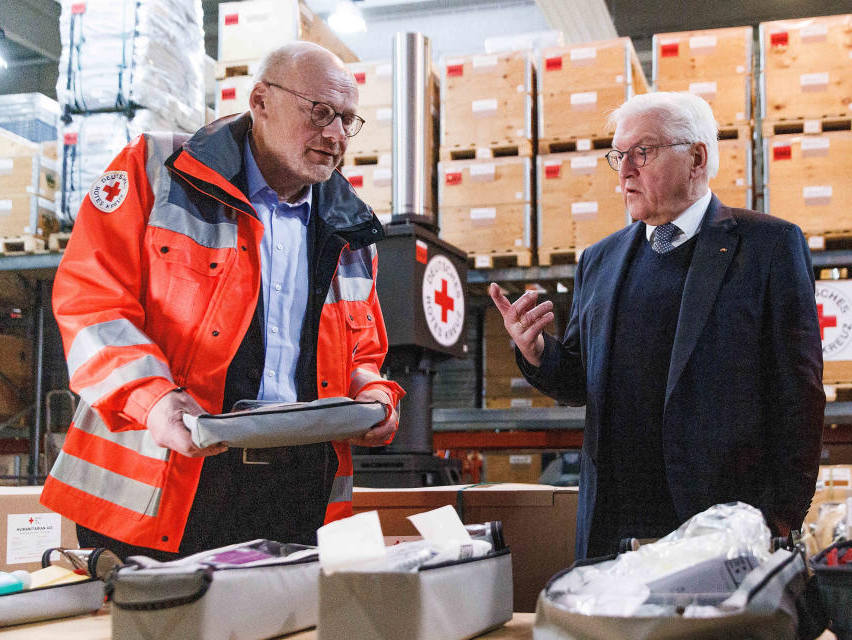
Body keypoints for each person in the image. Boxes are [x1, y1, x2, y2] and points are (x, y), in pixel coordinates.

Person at [41, 42, 403, 560]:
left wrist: (375, 398)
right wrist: (155, 399)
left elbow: (362, 354)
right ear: (260, 100)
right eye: (320, 112)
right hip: (162, 482)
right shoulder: (156, 170)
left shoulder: (351, 227)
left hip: (298, 496)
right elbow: (91, 303)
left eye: (348, 120)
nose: (336, 135)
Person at [490, 92, 824, 559]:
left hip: (721, 527)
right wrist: (538, 352)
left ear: (697, 158)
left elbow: (799, 397)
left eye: (642, 152)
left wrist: (777, 518)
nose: (625, 170)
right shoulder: (600, 260)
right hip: (613, 530)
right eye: (618, 155)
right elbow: (582, 381)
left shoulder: (767, 247)